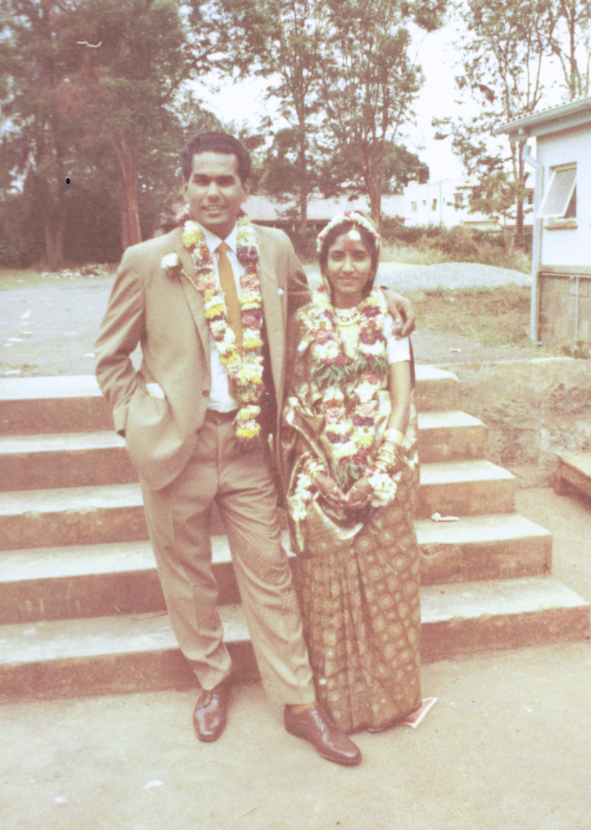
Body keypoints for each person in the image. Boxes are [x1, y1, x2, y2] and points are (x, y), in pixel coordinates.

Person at [95, 132, 416, 765]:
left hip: (248, 445)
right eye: (201, 181)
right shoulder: (147, 260)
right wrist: (136, 419)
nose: (213, 192)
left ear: (245, 188)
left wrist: (387, 298)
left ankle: (300, 704)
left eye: (226, 181)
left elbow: (315, 308)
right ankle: (211, 681)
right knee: (185, 574)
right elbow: (110, 358)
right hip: (175, 446)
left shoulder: (271, 250)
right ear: (184, 187)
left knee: (269, 573)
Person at [281, 211, 422, 734]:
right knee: (327, 580)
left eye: (358, 255)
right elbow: (297, 398)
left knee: (385, 575)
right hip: (320, 465)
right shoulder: (304, 322)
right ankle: (338, 705)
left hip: (384, 461)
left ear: (373, 263)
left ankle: (388, 700)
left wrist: (381, 465)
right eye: (337, 255)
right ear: (322, 263)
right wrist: (318, 471)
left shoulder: (391, 319)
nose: (347, 265)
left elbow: (402, 398)